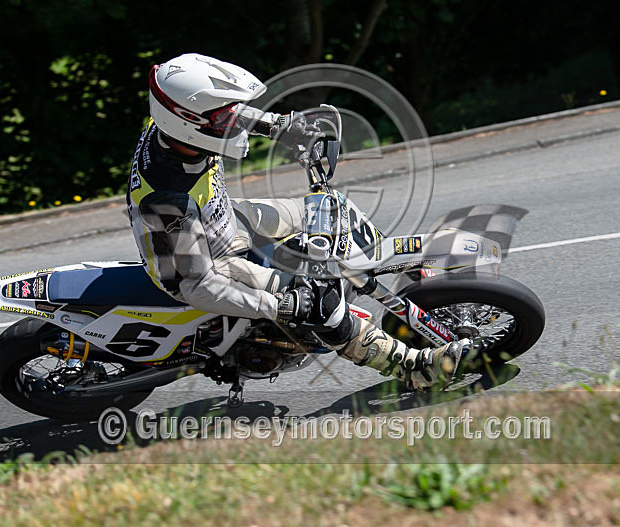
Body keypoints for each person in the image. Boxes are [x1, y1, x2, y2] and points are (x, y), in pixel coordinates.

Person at [127, 53, 461, 389]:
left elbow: (228, 113)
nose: (234, 123)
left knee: (328, 209)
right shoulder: (168, 203)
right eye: (220, 120)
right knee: (319, 304)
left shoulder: (175, 131)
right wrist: (280, 304)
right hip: (213, 264)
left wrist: (281, 125)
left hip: (224, 220)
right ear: (187, 121)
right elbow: (198, 286)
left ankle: (395, 271)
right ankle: (414, 369)